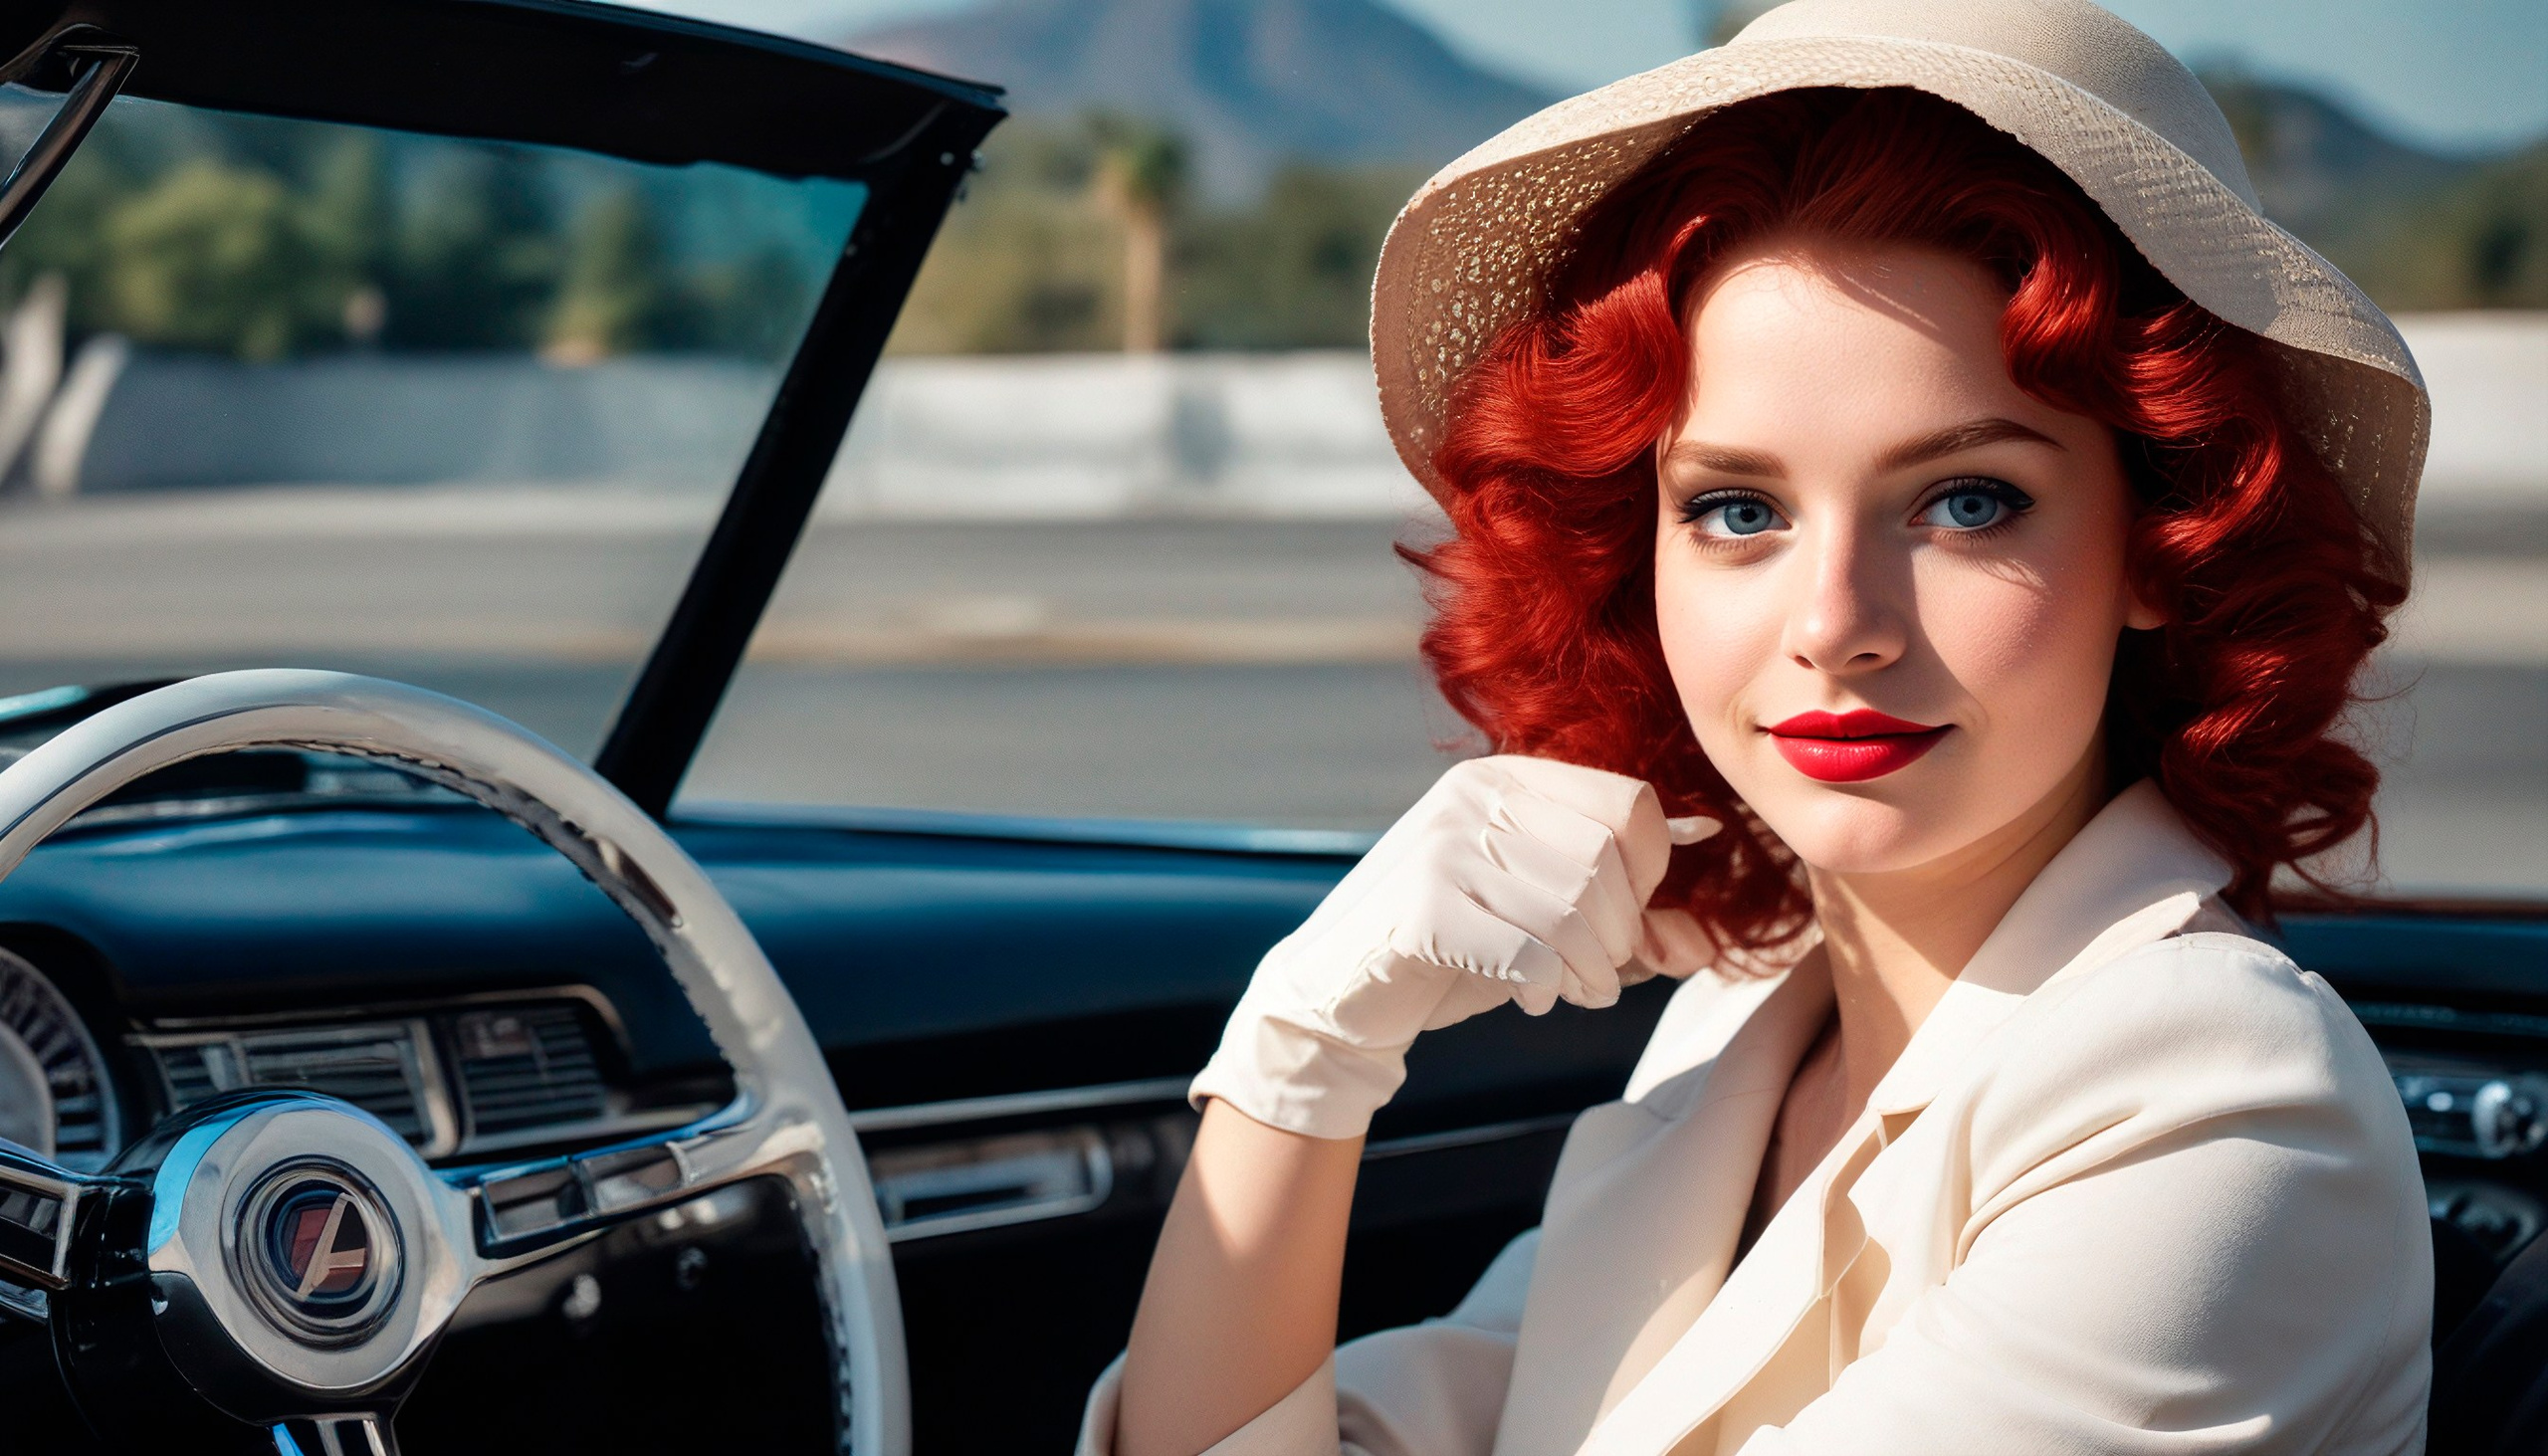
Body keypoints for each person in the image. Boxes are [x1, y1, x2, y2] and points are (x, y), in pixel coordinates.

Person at [1086, 1, 2435, 1452]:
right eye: (1739, 511)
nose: (1833, 620)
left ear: (2168, 542)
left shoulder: (2221, 1104)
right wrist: (1305, 1046)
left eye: (1969, 501)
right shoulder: (1736, 1033)